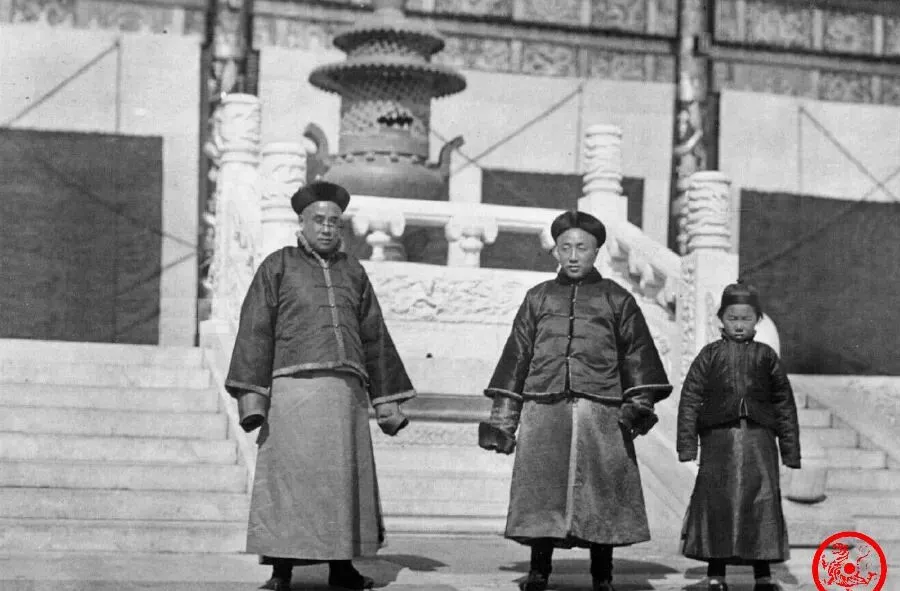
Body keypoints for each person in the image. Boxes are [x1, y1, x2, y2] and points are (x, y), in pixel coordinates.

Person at [225, 181, 416, 591]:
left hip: (345, 399)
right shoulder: (277, 266)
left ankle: (342, 570)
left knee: (342, 486)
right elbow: (256, 330)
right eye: (319, 220)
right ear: (302, 223)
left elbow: (374, 336)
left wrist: (386, 403)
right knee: (288, 483)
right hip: (292, 395)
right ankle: (281, 572)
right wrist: (253, 400)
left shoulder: (354, 271)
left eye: (334, 222)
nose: (327, 228)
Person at [478, 210, 673, 591]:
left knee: (603, 491)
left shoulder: (617, 298)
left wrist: (639, 403)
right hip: (543, 406)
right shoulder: (537, 298)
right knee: (542, 489)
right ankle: (539, 571)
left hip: (601, 409)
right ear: (555, 251)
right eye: (564, 247)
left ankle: (603, 575)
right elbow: (517, 355)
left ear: (596, 251)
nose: (572, 255)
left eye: (581, 247)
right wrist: (504, 417)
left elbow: (636, 352)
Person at [676, 281, 801, 591]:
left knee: (761, 505)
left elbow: (784, 404)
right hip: (718, 443)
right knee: (717, 505)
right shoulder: (709, 355)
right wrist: (687, 446)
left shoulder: (766, 357)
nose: (739, 325)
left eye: (746, 318)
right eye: (733, 318)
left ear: (757, 320)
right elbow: (690, 399)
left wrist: (790, 451)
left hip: (759, 443)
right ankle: (716, 574)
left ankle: (763, 576)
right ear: (721, 318)